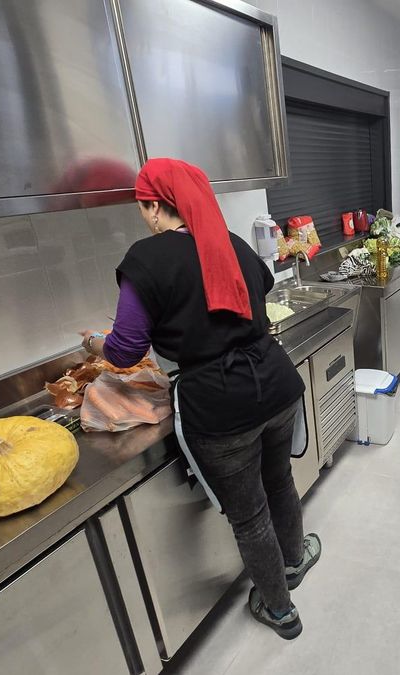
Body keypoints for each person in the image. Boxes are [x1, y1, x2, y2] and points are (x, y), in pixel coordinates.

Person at [82, 157, 320, 639]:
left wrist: (95, 345)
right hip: (274, 385)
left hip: (219, 402)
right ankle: (293, 562)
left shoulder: (144, 260)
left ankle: (279, 608)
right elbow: (264, 283)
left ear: (153, 208)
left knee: (250, 513)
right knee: (279, 480)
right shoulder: (227, 242)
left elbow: (127, 351)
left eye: (141, 206)